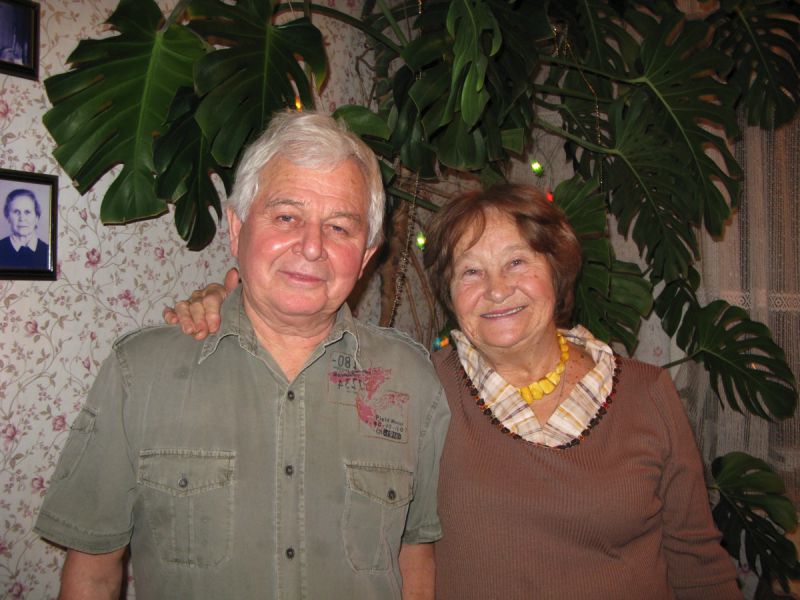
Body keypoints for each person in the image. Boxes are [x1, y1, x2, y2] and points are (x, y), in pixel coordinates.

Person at [166, 183, 741, 599]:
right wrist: (237, 309)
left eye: (517, 262)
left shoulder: (646, 393)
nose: (497, 289)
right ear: (449, 291)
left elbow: (698, 565)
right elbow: (305, 395)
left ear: (556, 272)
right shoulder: (417, 387)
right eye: (471, 271)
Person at [35, 110, 450, 600]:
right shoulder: (140, 374)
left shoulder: (411, 380)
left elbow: (415, 559)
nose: (311, 247)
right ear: (236, 228)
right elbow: (93, 574)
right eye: (287, 217)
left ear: (365, 256)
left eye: (339, 227)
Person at [0, 188, 50, 269]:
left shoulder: (48, 252)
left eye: (27, 212)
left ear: (37, 218)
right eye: (16, 212)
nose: (22, 218)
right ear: (8, 217)